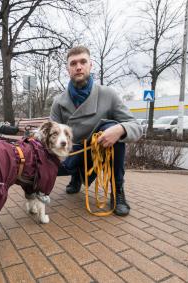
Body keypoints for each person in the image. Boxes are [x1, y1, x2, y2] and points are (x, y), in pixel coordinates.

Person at [50, 46, 142, 216]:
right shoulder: (58, 102)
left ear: (90, 65)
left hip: (99, 150)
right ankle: (76, 175)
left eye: (83, 62)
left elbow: (136, 126)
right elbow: (51, 136)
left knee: (112, 128)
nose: (78, 66)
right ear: (68, 69)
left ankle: (118, 191)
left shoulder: (108, 94)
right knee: (48, 163)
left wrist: (121, 129)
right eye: (73, 63)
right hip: (73, 154)